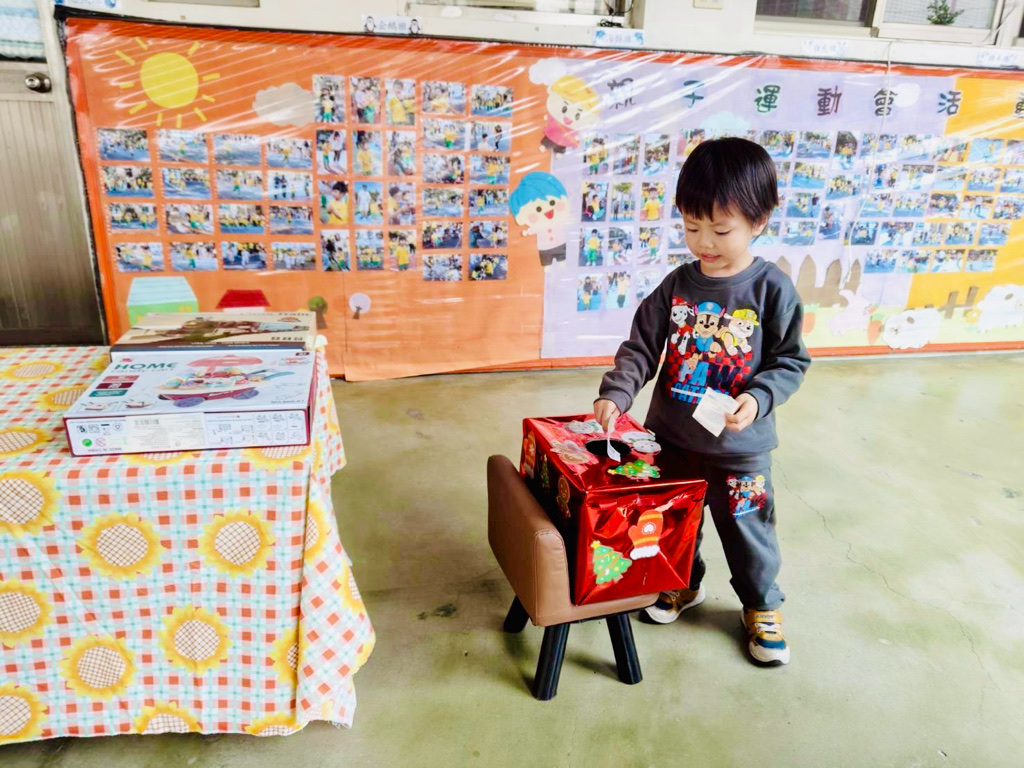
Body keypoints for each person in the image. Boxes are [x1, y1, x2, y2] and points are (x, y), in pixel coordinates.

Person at [593, 137, 811, 666]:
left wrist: (757, 399)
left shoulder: (772, 290)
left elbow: (790, 361)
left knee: (747, 528)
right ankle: (682, 582)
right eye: (692, 227)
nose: (704, 242)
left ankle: (761, 605)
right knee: (674, 521)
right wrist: (617, 392)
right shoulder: (677, 285)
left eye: (720, 229)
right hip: (672, 438)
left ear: (759, 221)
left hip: (740, 448)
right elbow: (642, 346)